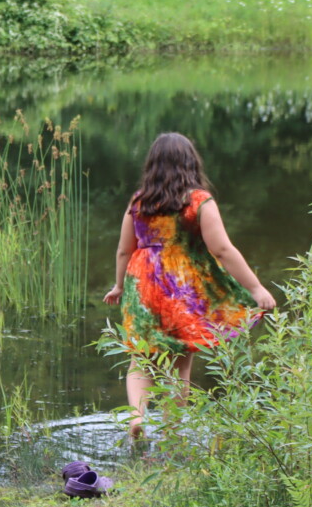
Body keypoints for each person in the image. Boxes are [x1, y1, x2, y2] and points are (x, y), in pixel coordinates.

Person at [102, 132, 276, 437]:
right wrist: (256, 288)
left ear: (152, 165)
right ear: (191, 163)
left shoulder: (139, 201)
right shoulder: (198, 201)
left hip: (141, 283)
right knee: (181, 362)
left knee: (140, 358)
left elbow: (123, 250)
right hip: (181, 288)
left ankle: (137, 417)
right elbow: (223, 250)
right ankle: (172, 433)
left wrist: (119, 286)